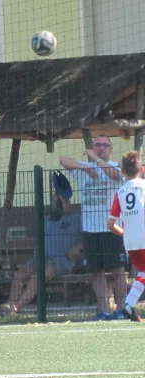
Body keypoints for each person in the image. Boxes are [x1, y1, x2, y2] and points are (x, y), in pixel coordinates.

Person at [59, 135, 126, 320]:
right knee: (96, 271)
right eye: (98, 145)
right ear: (93, 146)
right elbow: (62, 160)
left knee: (117, 271)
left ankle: (121, 310)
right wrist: (85, 167)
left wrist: (95, 159)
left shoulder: (116, 167)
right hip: (90, 230)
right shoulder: (83, 168)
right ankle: (103, 311)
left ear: (110, 149)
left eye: (105, 145)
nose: (101, 148)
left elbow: (113, 175)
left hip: (111, 229)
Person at [1, 188, 83, 314]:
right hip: (40, 259)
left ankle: (16, 308)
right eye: (58, 202)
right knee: (20, 274)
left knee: (37, 276)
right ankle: (10, 305)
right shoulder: (47, 220)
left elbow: (88, 239)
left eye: (64, 201)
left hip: (62, 261)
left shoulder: (77, 219)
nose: (62, 204)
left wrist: (78, 247)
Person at [108, 150, 145, 322]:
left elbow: (110, 225)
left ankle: (129, 305)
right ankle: (129, 305)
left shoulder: (120, 192)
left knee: (143, 272)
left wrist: (125, 233)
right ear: (142, 169)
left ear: (122, 171)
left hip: (130, 242)